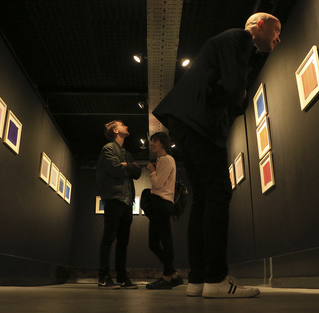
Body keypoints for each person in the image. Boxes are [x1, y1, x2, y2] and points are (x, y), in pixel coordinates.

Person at [152, 13, 281, 298]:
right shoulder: (239, 37)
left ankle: (199, 280)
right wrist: (238, 100)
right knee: (219, 192)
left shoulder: (232, 44)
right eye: (276, 29)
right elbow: (236, 89)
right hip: (201, 123)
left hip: (186, 123)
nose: (278, 37)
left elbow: (232, 85)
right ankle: (215, 278)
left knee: (203, 199)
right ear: (259, 25)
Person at [96, 120, 141, 289]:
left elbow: (137, 172)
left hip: (127, 201)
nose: (127, 126)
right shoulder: (108, 148)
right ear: (115, 130)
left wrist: (127, 165)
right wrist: (129, 167)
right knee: (108, 239)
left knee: (123, 242)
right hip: (114, 198)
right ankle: (103, 277)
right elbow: (116, 170)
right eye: (123, 125)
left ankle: (122, 278)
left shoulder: (127, 154)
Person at [144, 132, 183, 290]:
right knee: (153, 243)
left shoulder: (167, 160)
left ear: (163, 143)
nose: (151, 144)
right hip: (158, 204)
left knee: (165, 241)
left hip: (163, 203)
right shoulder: (162, 160)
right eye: (151, 141)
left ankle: (167, 278)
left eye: (154, 141)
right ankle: (173, 275)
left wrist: (152, 170)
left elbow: (158, 184)